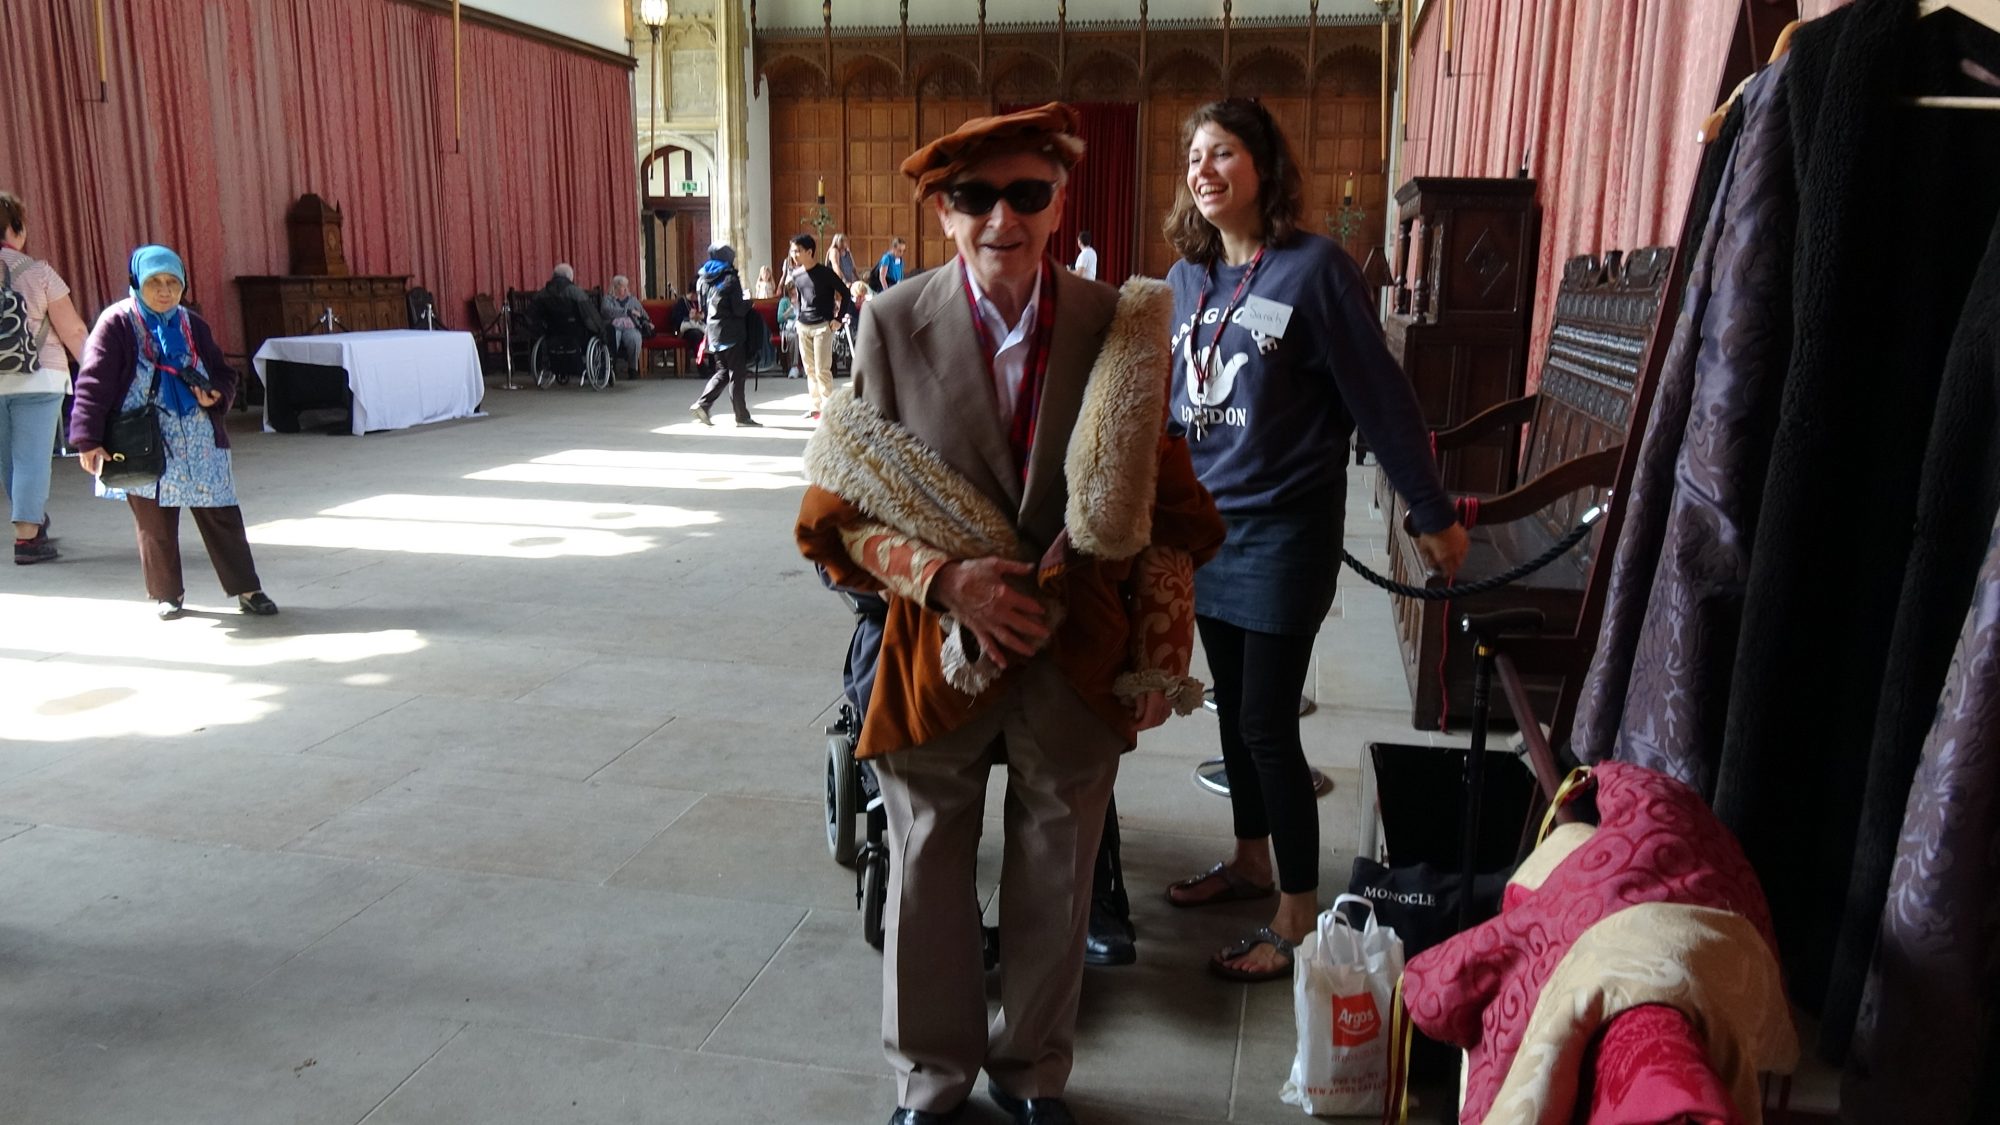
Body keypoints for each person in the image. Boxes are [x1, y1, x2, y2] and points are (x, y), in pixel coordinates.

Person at [795, 102, 1223, 1125]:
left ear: (1056, 203)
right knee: (923, 866)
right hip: (936, 648)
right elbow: (842, 505)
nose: (1001, 218)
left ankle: (1031, 1071)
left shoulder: (1117, 325)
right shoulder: (892, 325)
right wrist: (948, 582)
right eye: (974, 198)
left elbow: (1167, 506)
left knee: (1055, 872)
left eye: (1025, 194)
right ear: (942, 214)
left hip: (1073, 651)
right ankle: (929, 1082)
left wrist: (1163, 655)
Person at [1159, 98, 1468, 981]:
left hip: (1286, 530)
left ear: (1263, 166)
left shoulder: (1315, 270)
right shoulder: (1187, 280)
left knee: (1265, 720)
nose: (1204, 170)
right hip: (1208, 534)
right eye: (1194, 156)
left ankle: (1296, 912)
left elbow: (1379, 394)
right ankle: (1253, 860)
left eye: (1223, 153)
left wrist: (1432, 509)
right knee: (1234, 708)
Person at [69, 245, 279, 619]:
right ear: (137, 282)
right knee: (155, 521)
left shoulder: (191, 323)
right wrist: (88, 439)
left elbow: (223, 372)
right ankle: (168, 594)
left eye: (172, 283)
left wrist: (217, 393)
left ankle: (248, 589)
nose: (164, 291)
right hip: (143, 437)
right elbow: (93, 383)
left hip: (199, 436)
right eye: (154, 282)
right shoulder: (116, 322)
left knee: (221, 513)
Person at [0, 191, 89, 565]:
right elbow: (73, 332)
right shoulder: (37, 272)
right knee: (33, 459)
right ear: (17, 228)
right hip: (39, 378)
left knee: (10, 460)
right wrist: (97, 374)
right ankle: (26, 539)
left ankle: (31, 517)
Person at [782, 233, 856, 420]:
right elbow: (800, 298)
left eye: (797, 251)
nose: (794, 255)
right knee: (809, 369)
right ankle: (815, 407)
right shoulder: (797, 274)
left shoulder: (825, 273)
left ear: (809, 251)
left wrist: (838, 318)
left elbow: (846, 294)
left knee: (822, 369)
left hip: (823, 325)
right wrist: (798, 318)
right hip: (803, 325)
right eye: (792, 251)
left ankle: (828, 408)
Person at [688, 243, 759, 427]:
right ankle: (741, 417)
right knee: (737, 373)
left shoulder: (702, 279)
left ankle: (703, 404)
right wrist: (749, 303)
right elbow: (737, 308)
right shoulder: (730, 278)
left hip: (713, 332)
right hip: (732, 332)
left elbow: (703, 307)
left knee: (723, 371)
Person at [534, 263, 609, 352]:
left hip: (551, 332)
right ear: (570, 277)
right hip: (575, 333)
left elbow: (533, 315)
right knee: (608, 329)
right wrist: (601, 331)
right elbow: (590, 315)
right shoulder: (576, 292)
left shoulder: (541, 294)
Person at [599, 274, 653, 376]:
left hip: (630, 326)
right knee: (614, 338)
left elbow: (643, 314)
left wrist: (647, 322)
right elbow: (606, 311)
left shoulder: (632, 300)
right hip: (614, 326)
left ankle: (633, 368)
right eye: (623, 286)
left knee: (635, 338)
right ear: (615, 287)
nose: (626, 288)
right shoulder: (608, 299)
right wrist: (627, 312)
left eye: (626, 286)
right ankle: (611, 366)